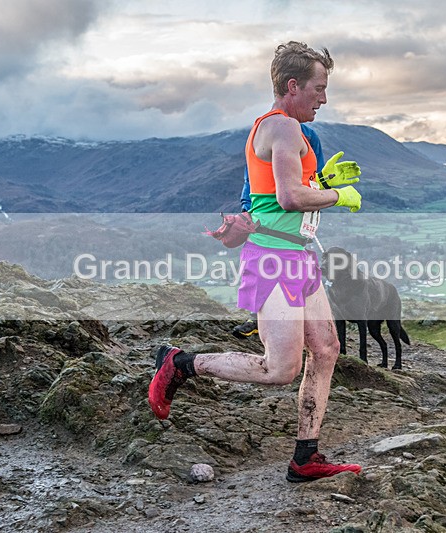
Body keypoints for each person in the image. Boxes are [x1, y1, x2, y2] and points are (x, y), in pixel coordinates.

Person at [149, 41, 363, 481]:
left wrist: (321, 178)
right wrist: (339, 195)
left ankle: (306, 456)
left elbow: (275, 196)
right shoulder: (282, 128)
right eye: (319, 88)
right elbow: (290, 197)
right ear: (292, 86)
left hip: (298, 257)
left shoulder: (288, 131)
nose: (324, 98)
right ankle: (180, 363)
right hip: (274, 261)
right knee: (280, 368)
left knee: (325, 349)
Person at [232, 124, 327, 340]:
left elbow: (316, 176)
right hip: (268, 213)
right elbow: (253, 174)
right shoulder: (269, 130)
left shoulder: (308, 135)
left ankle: (291, 319)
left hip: (293, 217)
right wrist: (247, 205)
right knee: (267, 266)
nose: (322, 100)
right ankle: (258, 318)